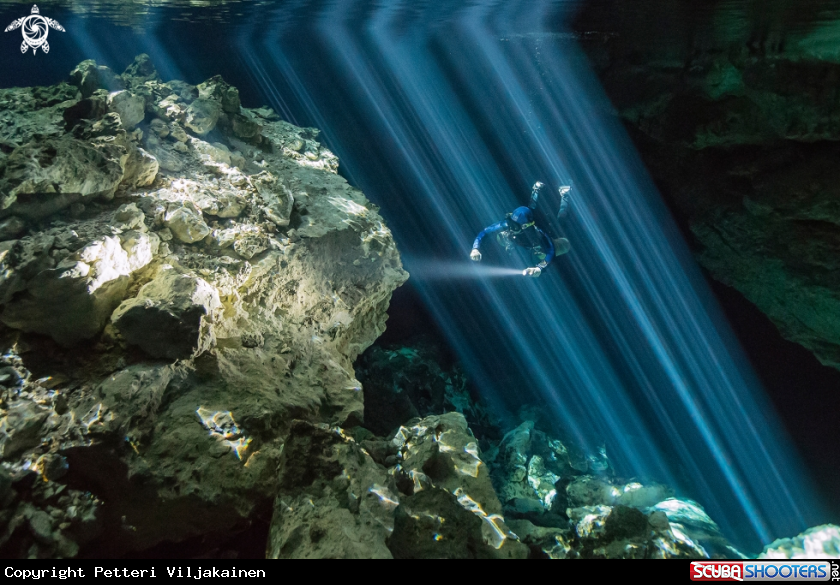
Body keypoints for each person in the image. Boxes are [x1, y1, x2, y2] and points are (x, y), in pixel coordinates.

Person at [470, 182, 571, 277]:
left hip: (545, 237)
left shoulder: (537, 231)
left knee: (562, 233)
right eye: (511, 223)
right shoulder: (507, 225)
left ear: (525, 226)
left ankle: (564, 196)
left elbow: (551, 250)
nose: (511, 228)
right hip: (536, 245)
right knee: (534, 211)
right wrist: (475, 248)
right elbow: (485, 232)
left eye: (515, 226)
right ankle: (540, 191)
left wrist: (539, 268)